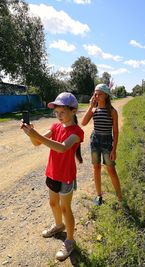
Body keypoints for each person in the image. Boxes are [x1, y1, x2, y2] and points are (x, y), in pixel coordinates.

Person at [20, 92, 84, 261]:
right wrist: (31, 133)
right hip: (52, 172)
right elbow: (37, 143)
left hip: (66, 176)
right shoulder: (55, 127)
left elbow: (63, 148)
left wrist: (37, 136)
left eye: (62, 112)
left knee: (65, 208)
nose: (58, 115)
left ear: (73, 111)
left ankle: (70, 240)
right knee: (53, 203)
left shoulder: (77, 131)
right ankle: (58, 225)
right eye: (56, 112)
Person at [81, 83, 122, 206]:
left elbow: (115, 131)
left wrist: (114, 149)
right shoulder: (93, 109)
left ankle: (120, 197)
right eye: (95, 94)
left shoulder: (112, 111)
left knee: (111, 169)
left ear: (106, 96)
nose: (96, 96)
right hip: (95, 141)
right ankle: (99, 195)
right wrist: (90, 107)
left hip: (107, 142)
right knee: (96, 167)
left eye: (99, 94)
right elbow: (83, 122)